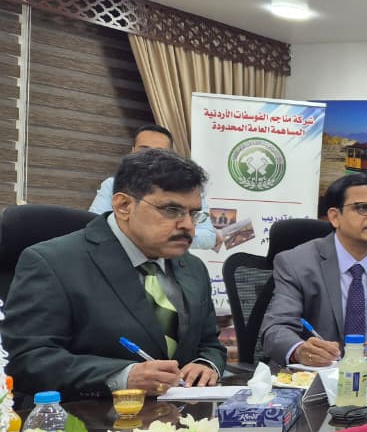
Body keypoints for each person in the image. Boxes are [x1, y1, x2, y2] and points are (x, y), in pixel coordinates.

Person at [3, 149, 225, 398]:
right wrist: (122, 376)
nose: (188, 225)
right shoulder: (51, 262)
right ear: (124, 206)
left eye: (193, 213)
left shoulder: (193, 267)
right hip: (90, 415)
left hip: (181, 414)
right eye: (172, 210)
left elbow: (209, 343)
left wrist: (207, 364)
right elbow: (28, 359)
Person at [259, 173, 367, 366]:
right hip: (316, 376)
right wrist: (299, 350)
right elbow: (275, 329)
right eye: (363, 208)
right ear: (335, 217)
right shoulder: (296, 263)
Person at [89, 124, 221, 250]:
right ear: (132, 151)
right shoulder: (112, 185)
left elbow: (209, 237)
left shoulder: (189, 190)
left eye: (159, 153)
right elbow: (94, 226)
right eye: (144, 150)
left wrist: (167, 236)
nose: (150, 158)